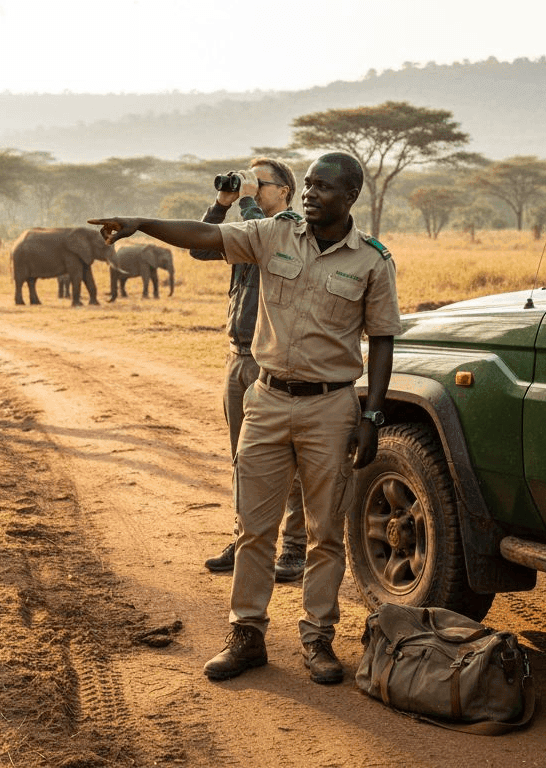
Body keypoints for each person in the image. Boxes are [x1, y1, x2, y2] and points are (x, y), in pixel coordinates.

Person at [90, 151, 400, 685]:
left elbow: (383, 342)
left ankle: (318, 638)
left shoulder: (372, 261)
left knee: (325, 532)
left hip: (331, 406)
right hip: (267, 398)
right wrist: (142, 222)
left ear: (350, 197)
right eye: (307, 185)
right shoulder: (273, 234)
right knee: (253, 528)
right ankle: (247, 633)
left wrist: (371, 416)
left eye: (323, 187)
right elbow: (204, 239)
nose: (310, 194)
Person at [190, 157, 307, 583]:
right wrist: (222, 203)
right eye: (249, 183)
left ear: (285, 192)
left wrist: (246, 203)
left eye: (261, 184)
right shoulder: (246, 225)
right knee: (243, 457)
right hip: (238, 356)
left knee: (289, 458)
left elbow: (264, 243)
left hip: (274, 360)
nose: (252, 189)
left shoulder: (294, 229)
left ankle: (294, 549)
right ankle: (246, 541)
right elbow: (201, 247)